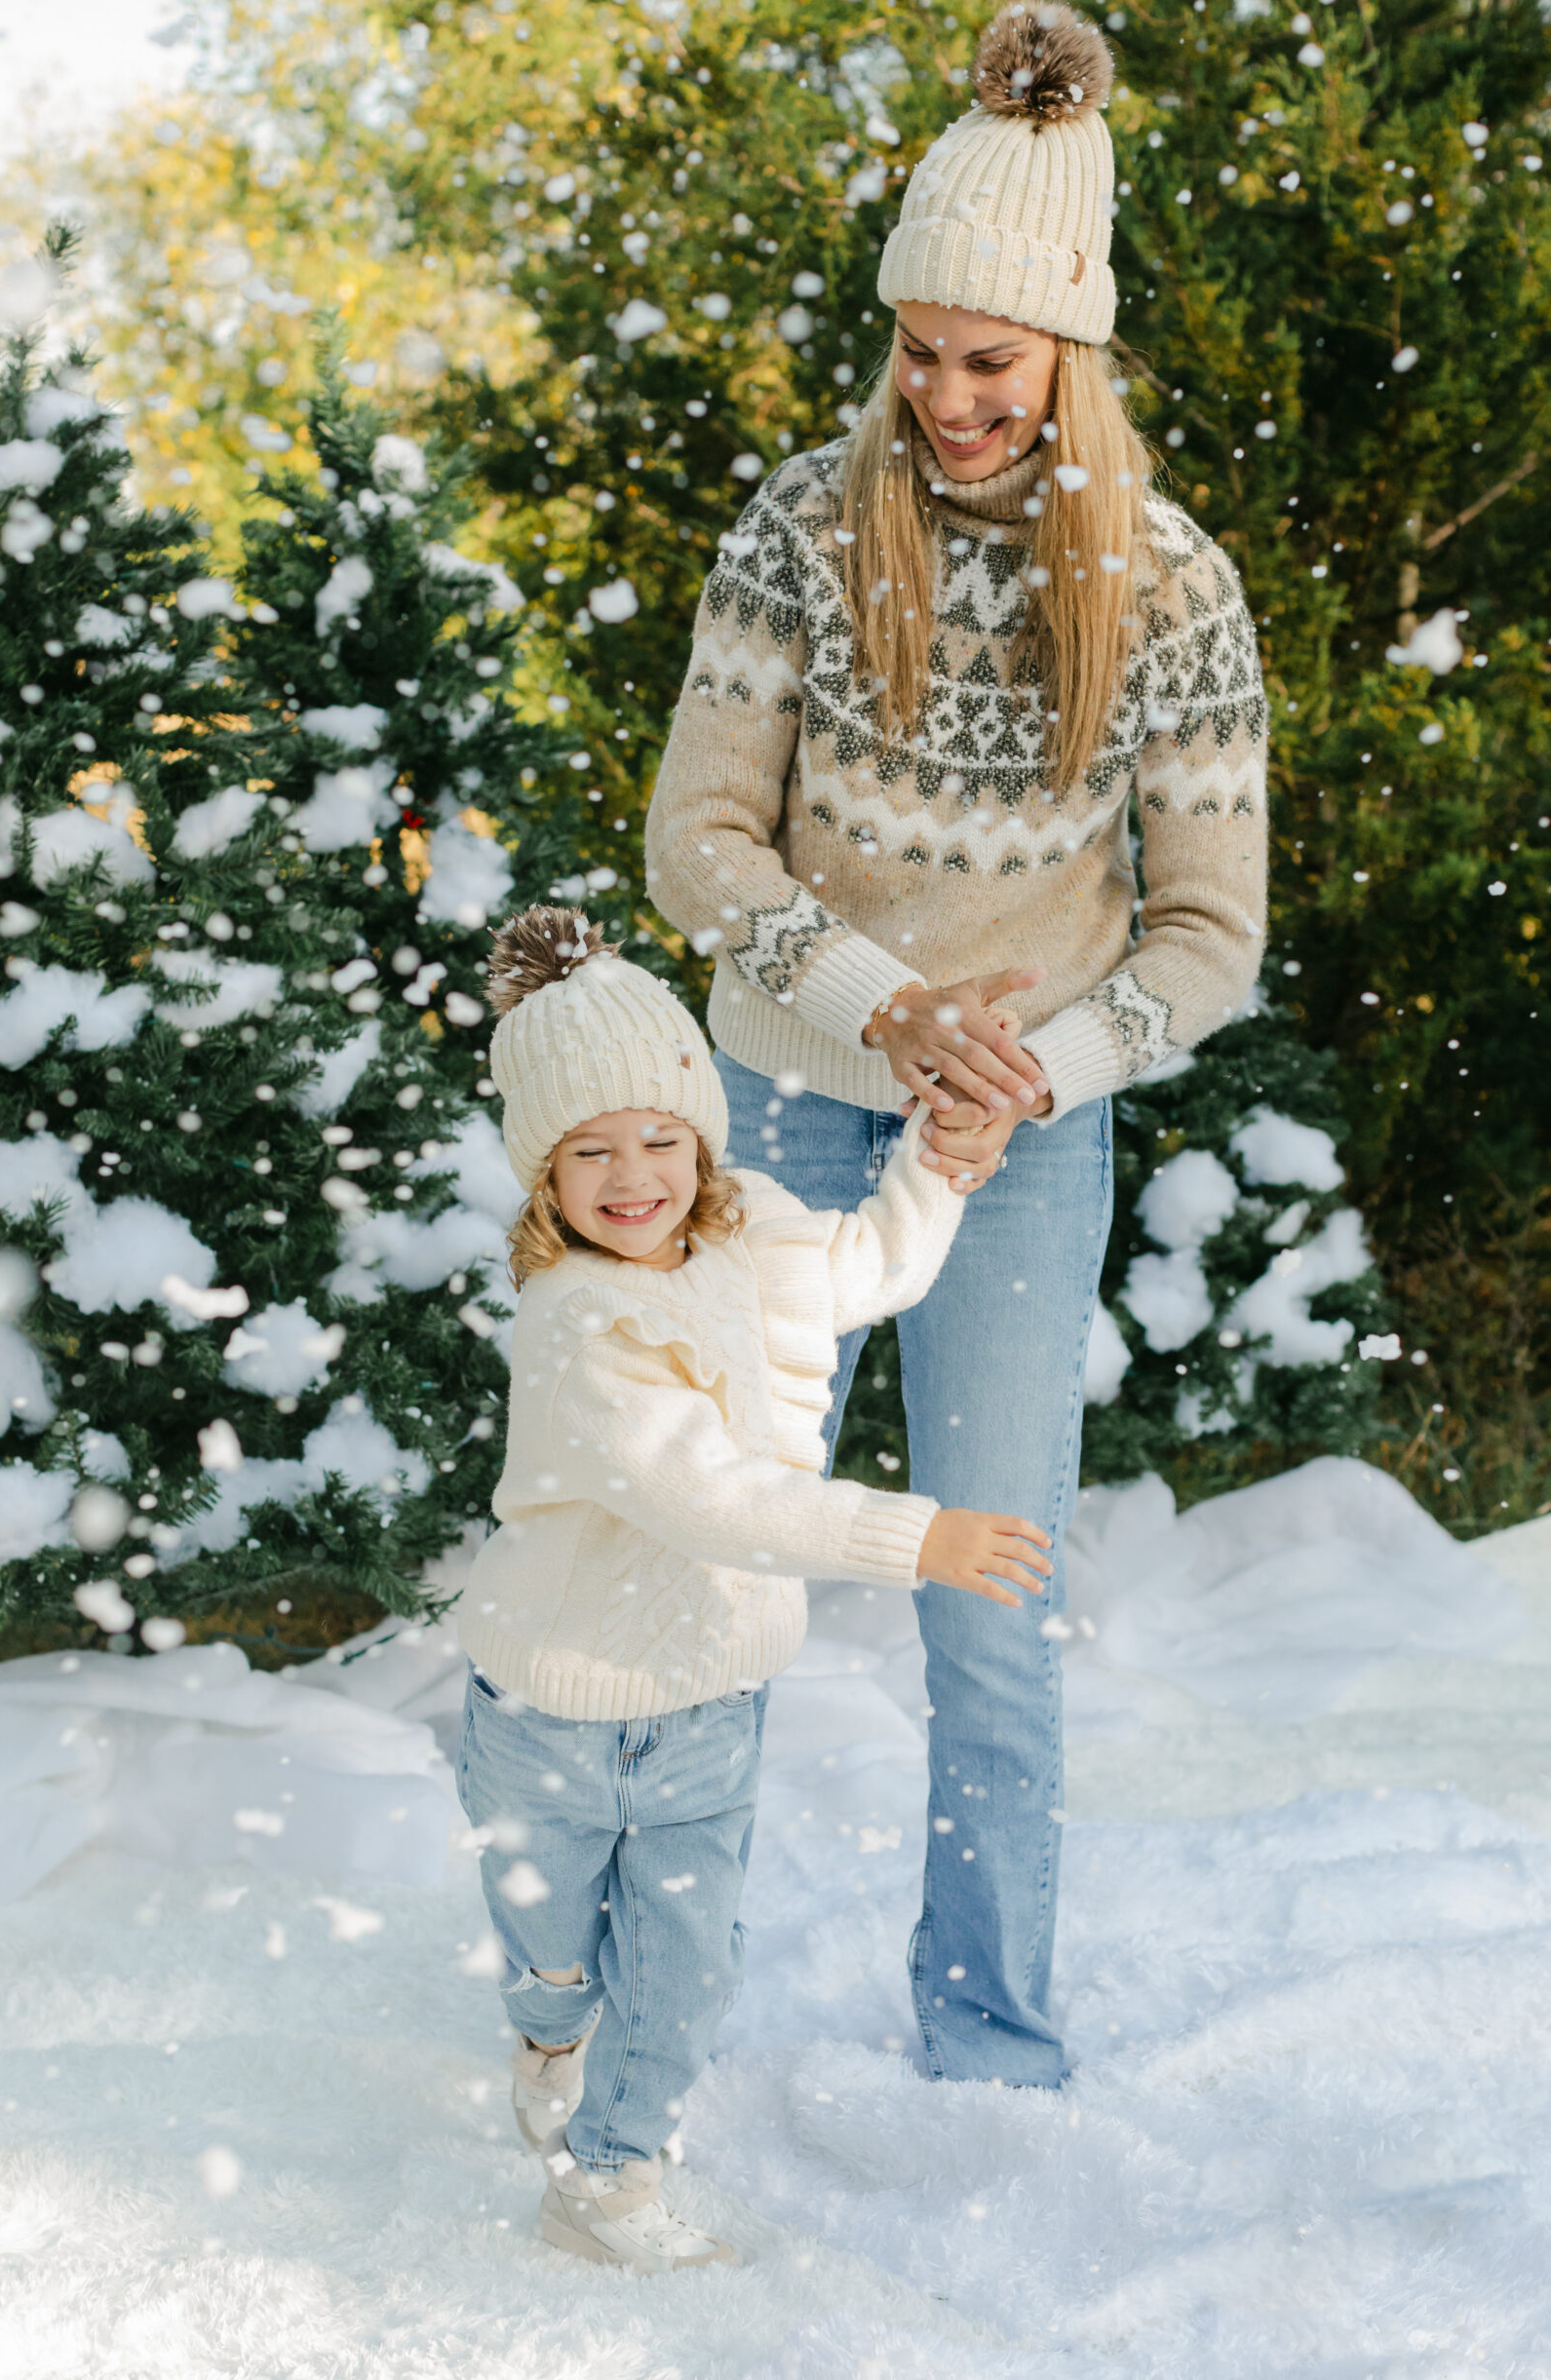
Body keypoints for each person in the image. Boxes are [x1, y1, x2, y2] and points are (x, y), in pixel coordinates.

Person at [645, 0, 1269, 2088]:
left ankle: (985, 2044)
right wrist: (880, 1006)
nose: (943, 395)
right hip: (781, 1107)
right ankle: (647, 2023)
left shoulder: (1168, 588)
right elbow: (694, 835)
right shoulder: (803, 527)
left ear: (1063, 357)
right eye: (915, 349)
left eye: (984, 359)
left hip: (1016, 1149)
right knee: (712, 1573)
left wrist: (1029, 1066)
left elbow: (1205, 936)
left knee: (988, 1607)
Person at [455, 904, 1053, 2272]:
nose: (631, 1176)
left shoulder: (753, 1231)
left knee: (683, 1963)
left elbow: (872, 1266)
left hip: (711, 1698)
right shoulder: (577, 1321)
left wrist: (939, 1159)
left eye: (660, 1137)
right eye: (587, 1151)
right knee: (555, 1938)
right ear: (540, 1175)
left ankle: (607, 2182)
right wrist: (911, 1537)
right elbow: (703, 1492)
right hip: (551, 1707)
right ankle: (549, 2024)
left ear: (702, 1138)